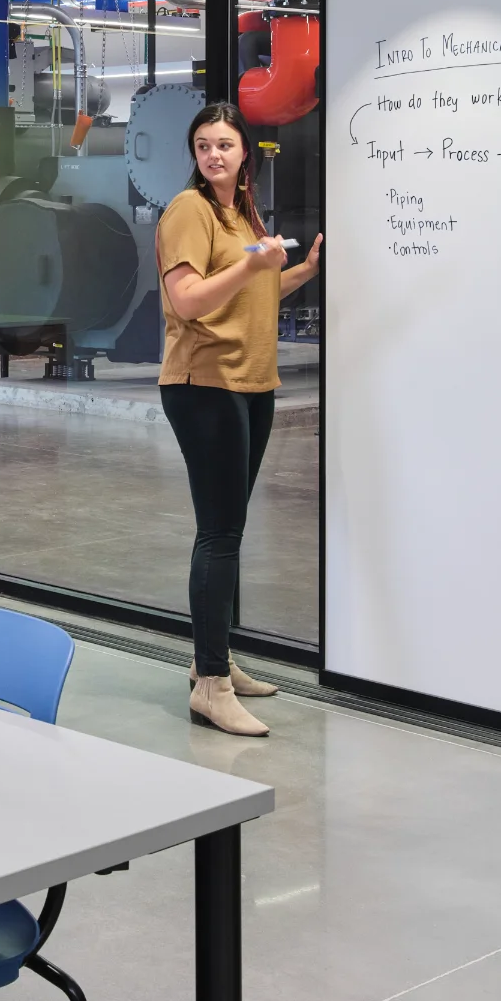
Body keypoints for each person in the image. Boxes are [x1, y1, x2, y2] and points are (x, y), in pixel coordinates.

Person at [157, 101, 321, 735]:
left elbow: (246, 291)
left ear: (244, 150)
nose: (214, 155)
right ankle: (211, 685)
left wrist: (298, 272)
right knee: (219, 533)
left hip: (252, 382)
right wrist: (253, 262)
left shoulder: (240, 210)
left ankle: (214, 663)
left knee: (229, 527)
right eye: (203, 145)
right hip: (206, 384)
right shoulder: (189, 210)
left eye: (224, 143)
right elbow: (190, 297)